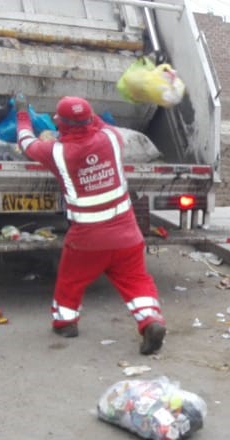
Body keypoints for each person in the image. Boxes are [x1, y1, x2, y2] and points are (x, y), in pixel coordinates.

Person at [14, 93, 167, 355]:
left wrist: (22, 116)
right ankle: (150, 321)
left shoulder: (57, 152)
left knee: (70, 280)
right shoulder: (111, 138)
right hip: (127, 234)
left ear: (61, 123)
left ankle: (65, 323)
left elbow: (26, 144)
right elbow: (98, 124)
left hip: (87, 240)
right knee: (136, 280)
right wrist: (86, 115)